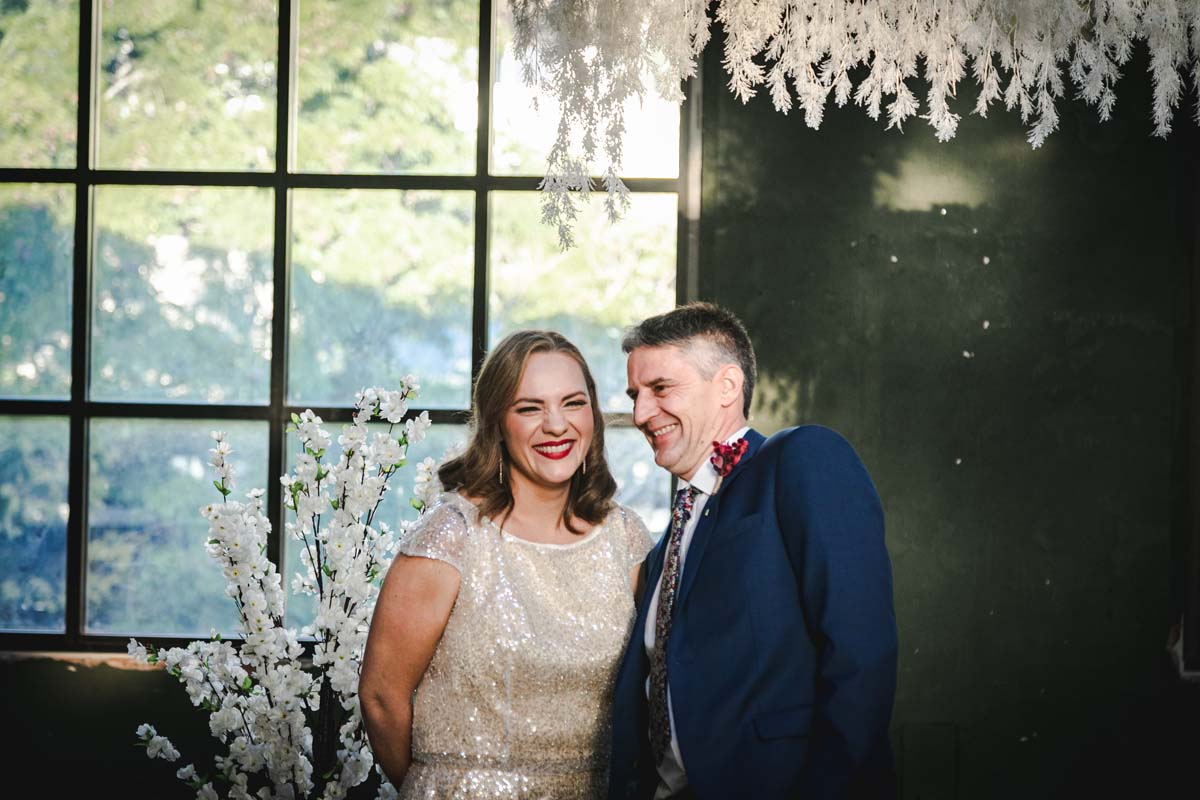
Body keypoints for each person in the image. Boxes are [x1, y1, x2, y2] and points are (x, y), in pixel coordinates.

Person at [608, 302, 898, 800]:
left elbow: (860, 657)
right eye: (635, 395)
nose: (640, 414)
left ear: (727, 385)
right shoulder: (663, 547)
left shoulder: (801, 459)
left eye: (660, 389)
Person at [360, 330, 654, 799]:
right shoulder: (452, 536)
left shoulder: (626, 538)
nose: (556, 425)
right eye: (529, 408)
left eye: (573, 403)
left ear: (593, 416)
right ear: (497, 421)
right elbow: (380, 699)